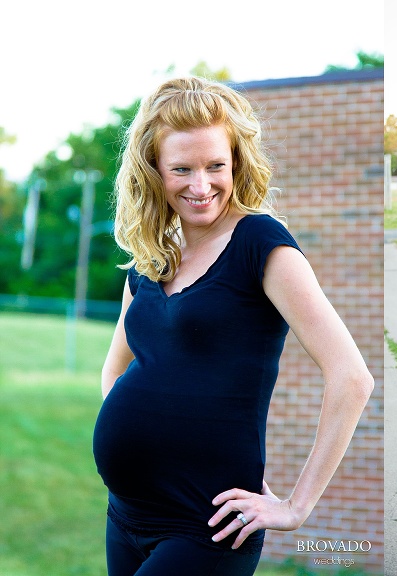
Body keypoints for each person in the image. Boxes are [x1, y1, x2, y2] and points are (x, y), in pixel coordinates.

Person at [92, 76, 374, 576]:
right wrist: (132, 447)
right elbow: (115, 372)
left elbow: (352, 376)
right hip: (126, 515)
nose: (201, 186)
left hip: (210, 528)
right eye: (181, 168)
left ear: (236, 161)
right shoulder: (151, 255)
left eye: (215, 166)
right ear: (153, 170)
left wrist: (295, 506)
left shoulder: (262, 244)